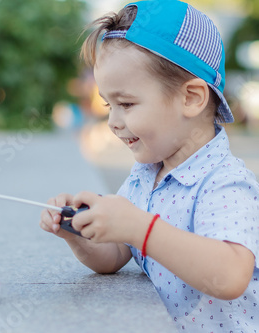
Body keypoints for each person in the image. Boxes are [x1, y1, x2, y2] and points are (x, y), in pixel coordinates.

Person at [40, 1, 259, 331]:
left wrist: (140, 227)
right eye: (108, 104)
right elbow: (116, 254)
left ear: (191, 98)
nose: (113, 122)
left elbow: (229, 276)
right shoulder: (145, 176)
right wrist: (79, 234)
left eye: (126, 104)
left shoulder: (224, 183)